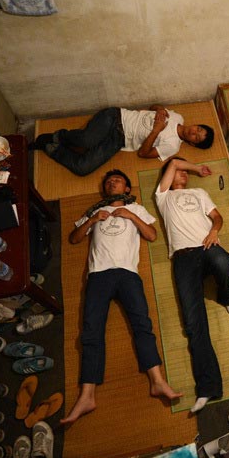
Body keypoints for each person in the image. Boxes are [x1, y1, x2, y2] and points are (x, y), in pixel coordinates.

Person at [61, 169, 182, 425]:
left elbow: (151, 235)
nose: (111, 182)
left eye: (117, 180)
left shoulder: (136, 209)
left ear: (127, 189)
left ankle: (158, 381)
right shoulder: (94, 211)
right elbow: (73, 238)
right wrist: (92, 221)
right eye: (108, 182)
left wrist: (129, 215)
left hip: (128, 274)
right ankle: (87, 395)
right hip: (98, 275)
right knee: (91, 331)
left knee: (142, 326)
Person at [155, 157, 229, 413]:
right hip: (183, 257)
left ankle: (227, 295)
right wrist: (190, 165)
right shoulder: (163, 197)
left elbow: (217, 217)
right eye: (179, 171)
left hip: (207, 245)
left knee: (224, 262)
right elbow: (172, 166)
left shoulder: (199, 192)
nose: (183, 174)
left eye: (185, 171)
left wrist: (215, 230)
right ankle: (208, 387)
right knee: (193, 323)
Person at [32, 105, 215, 176]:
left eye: (196, 137)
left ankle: (52, 148)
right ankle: (59, 136)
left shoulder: (173, 146)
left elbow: (143, 153)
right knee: (86, 141)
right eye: (198, 129)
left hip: (119, 140)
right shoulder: (178, 117)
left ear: (192, 143)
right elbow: (153, 107)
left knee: (83, 168)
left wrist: (156, 131)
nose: (194, 132)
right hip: (116, 117)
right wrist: (159, 109)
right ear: (196, 125)